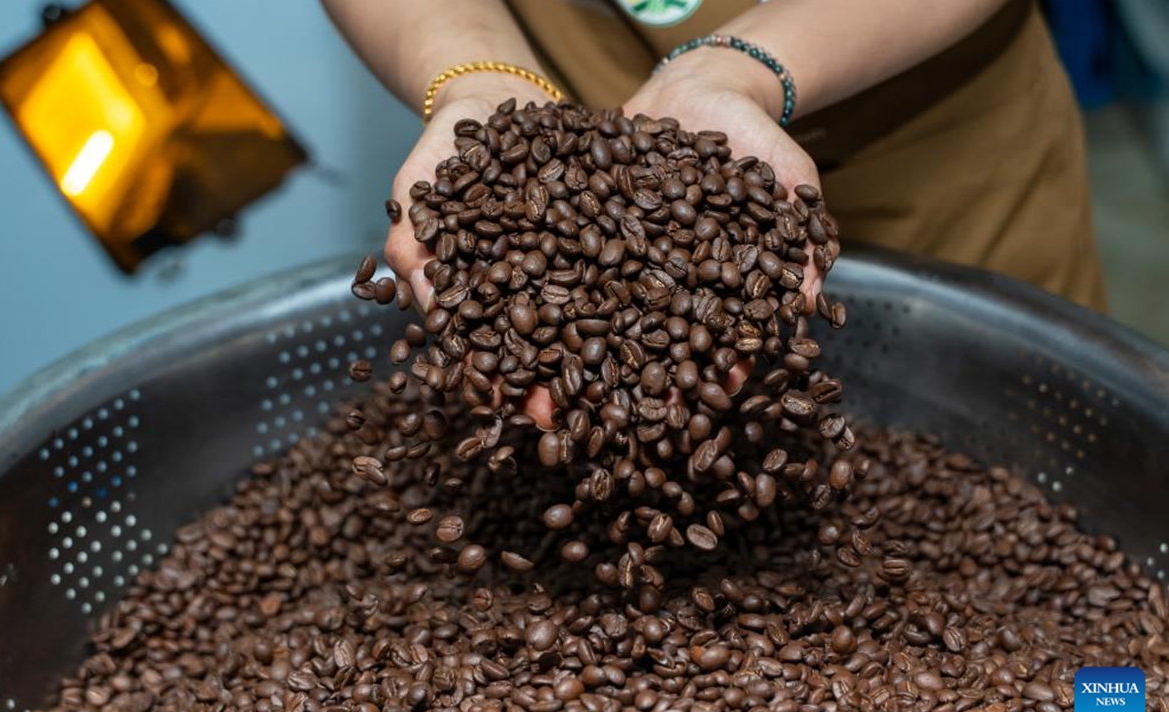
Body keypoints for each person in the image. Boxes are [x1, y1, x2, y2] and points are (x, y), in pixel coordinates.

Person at [320, 0, 1106, 423]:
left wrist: (741, 71)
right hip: (564, 79)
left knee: (1001, 427)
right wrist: (474, 80)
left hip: (932, 123)